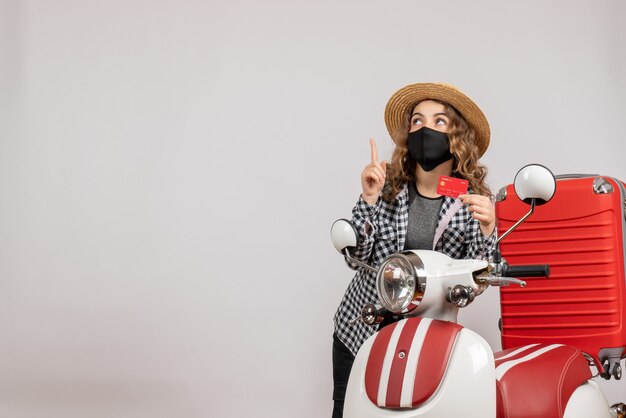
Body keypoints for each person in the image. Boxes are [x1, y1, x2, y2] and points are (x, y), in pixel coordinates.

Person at [331, 82, 496, 418]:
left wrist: (488, 228)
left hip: (427, 340)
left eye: (439, 122)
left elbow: (479, 280)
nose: (425, 130)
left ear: (457, 137)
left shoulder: (470, 202)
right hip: (362, 327)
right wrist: (369, 198)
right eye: (417, 121)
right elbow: (357, 257)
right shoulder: (389, 188)